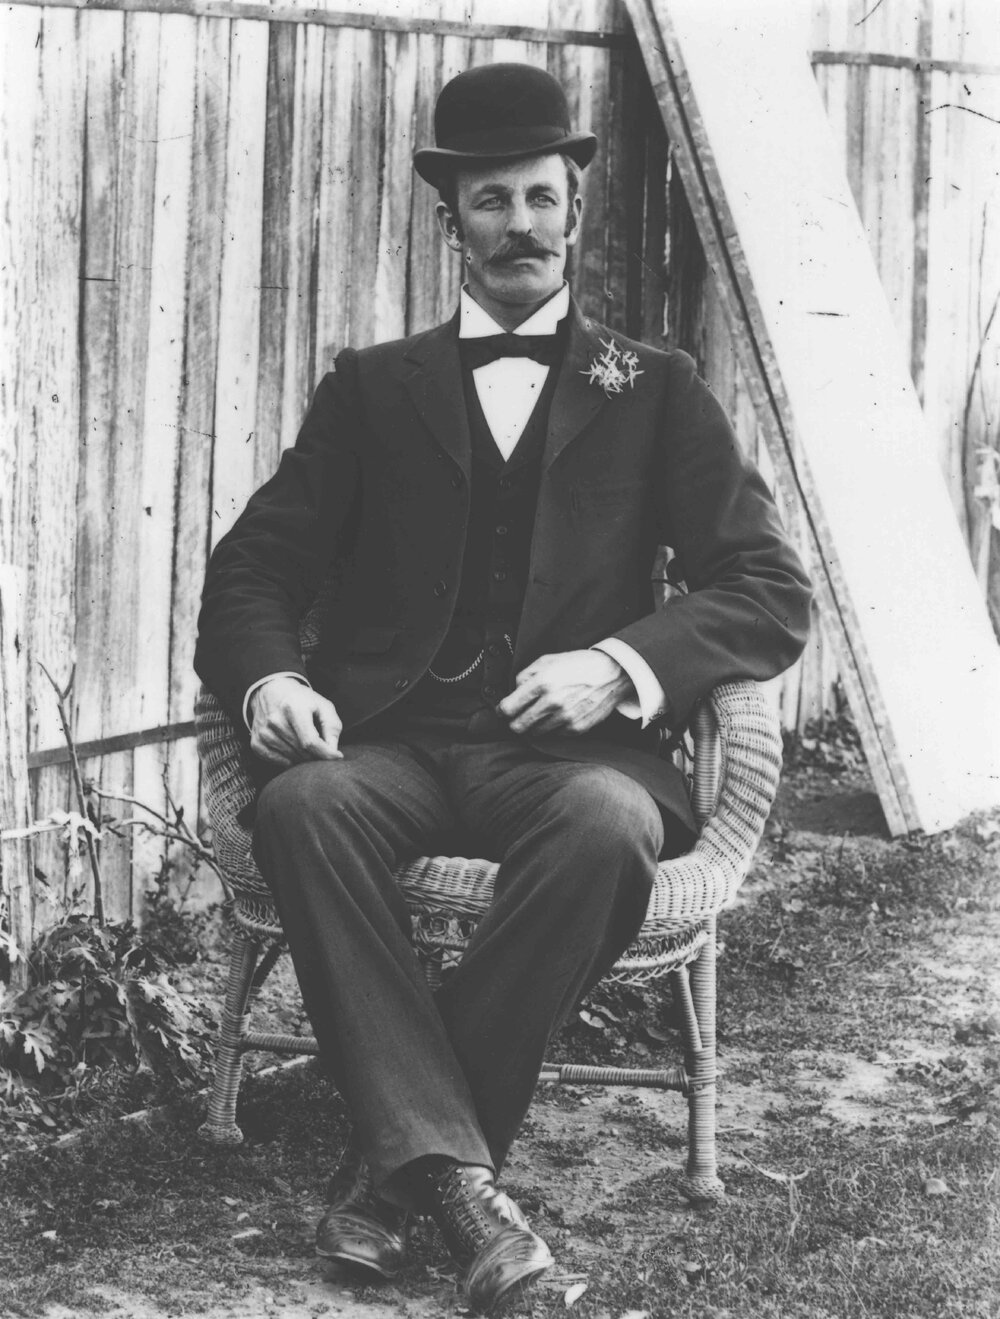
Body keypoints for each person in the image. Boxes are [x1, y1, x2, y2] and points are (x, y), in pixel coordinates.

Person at [195, 63, 812, 1313]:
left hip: (571, 759)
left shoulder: (658, 388)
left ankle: (397, 1177)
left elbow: (767, 587)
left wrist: (618, 665)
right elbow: (256, 565)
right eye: (491, 201)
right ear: (451, 221)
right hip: (391, 743)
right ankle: (464, 1190)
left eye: (539, 197)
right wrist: (269, 677)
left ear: (573, 210)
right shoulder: (372, 387)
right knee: (302, 807)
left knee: (608, 826)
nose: (519, 224)